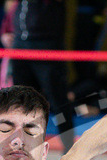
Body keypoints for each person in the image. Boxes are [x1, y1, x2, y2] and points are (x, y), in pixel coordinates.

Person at [10, 0, 76, 152]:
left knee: (58, 100)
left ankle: (69, 146)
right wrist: (8, 32)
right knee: (22, 101)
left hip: (47, 47)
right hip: (20, 46)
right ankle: (24, 144)